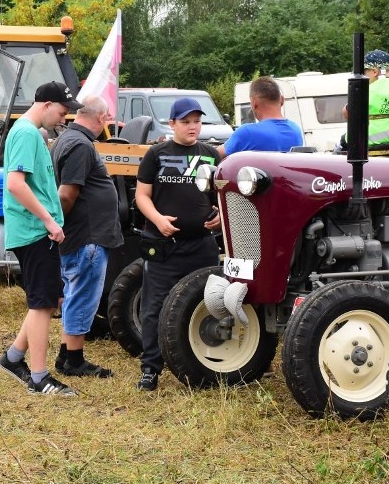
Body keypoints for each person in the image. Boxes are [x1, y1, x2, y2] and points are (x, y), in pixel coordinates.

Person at [0, 80, 83, 396]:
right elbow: (16, 184)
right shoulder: (25, 133)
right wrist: (49, 220)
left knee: (44, 300)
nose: (64, 118)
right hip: (34, 231)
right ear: (46, 104)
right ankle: (39, 377)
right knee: (42, 303)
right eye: (62, 112)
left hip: (37, 231)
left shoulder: (32, 134)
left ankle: (13, 358)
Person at [134, 98, 221, 391]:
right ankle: (150, 369)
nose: (192, 126)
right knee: (154, 307)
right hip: (164, 245)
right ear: (172, 124)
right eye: (186, 122)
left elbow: (220, 197)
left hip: (202, 245)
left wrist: (220, 215)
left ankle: (207, 363)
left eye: (196, 121)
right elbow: (141, 196)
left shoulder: (211, 154)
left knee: (209, 303)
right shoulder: (156, 154)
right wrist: (158, 219)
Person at [50, 95, 123, 378]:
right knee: (83, 297)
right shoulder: (80, 145)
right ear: (102, 118)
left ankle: (65, 354)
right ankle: (75, 362)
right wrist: (57, 224)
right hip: (87, 236)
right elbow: (67, 194)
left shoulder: (67, 140)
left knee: (74, 295)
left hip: (81, 234)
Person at [217, 76, 304, 158]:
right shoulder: (296, 130)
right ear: (282, 100)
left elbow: (214, 155)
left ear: (254, 103)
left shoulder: (247, 132)